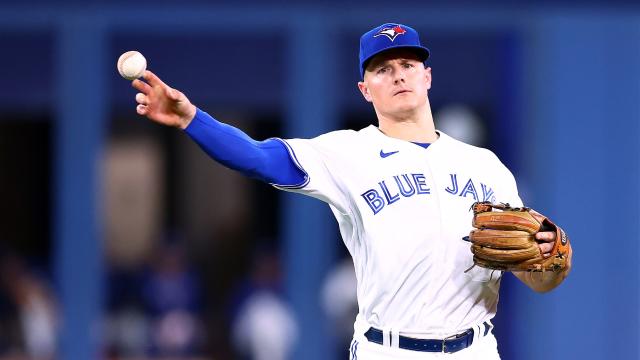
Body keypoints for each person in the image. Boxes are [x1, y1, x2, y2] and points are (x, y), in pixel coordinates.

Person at [129, 23, 572, 359]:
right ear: (365, 89)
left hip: (475, 349)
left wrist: (550, 262)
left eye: (408, 66)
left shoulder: (485, 166)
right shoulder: (347, 154)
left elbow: (537, 277)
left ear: (428, 77)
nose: (398, 76)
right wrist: (192, 120)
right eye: (383, 69)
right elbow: (257, 157)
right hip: (389, 349)